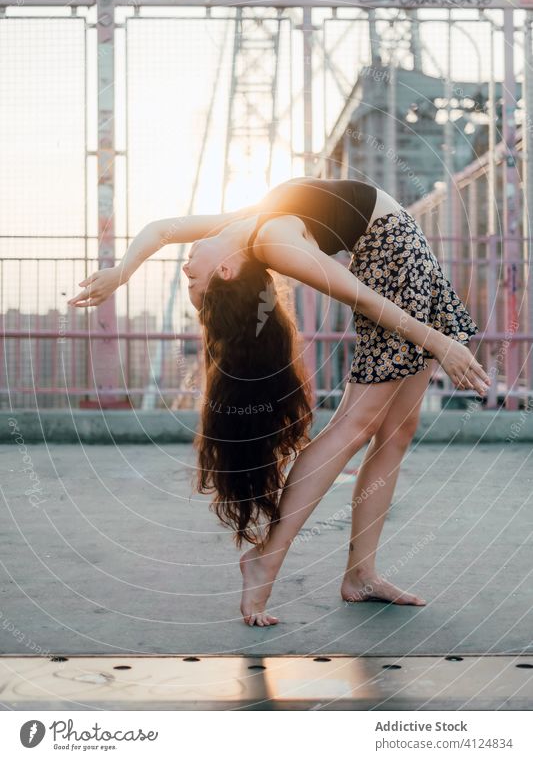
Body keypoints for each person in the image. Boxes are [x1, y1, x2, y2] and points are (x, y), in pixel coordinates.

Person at [67, 177, 490, 627]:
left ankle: (361, 574)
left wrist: (121, 273)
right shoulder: (273, 242)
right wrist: (440, 344)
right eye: (194, 280)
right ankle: (266, 559)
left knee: (396, 432)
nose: (186, 269)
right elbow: (360, 295)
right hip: (396, 278)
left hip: (411, 264)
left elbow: (159, 230)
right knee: (356, 425)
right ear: (227, 272)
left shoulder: (245, 223)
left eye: (189, 276)